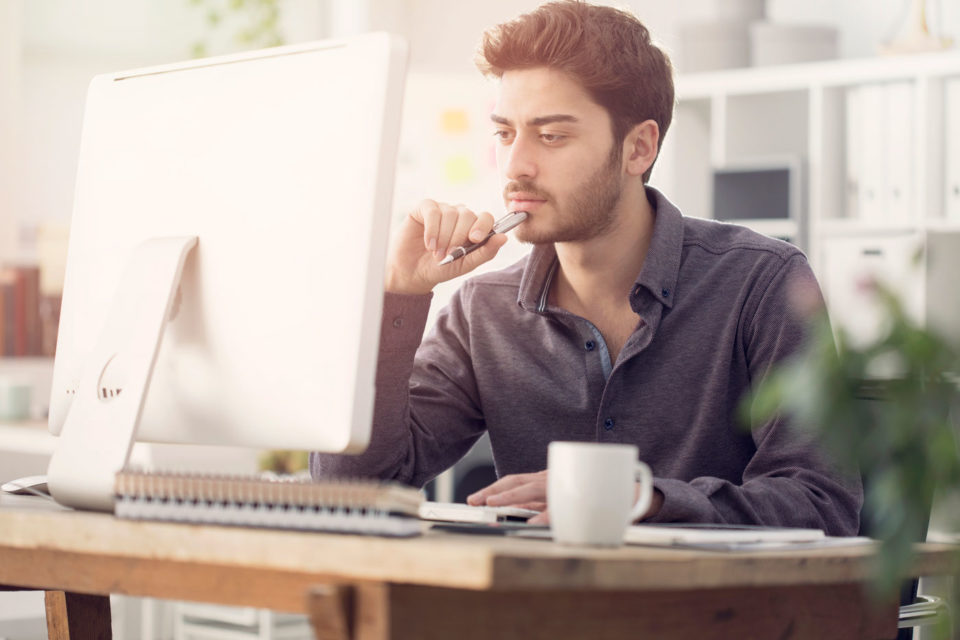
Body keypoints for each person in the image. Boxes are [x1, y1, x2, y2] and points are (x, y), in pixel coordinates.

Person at [311, 0, 862, 535]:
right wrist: (399, 295)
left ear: (639, 148)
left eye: (551, 136)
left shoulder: (760, 283)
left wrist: (643, 499)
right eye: (504, 133)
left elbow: (823, 504)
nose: (515, 166)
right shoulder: (482, 312)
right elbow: (352, 490)